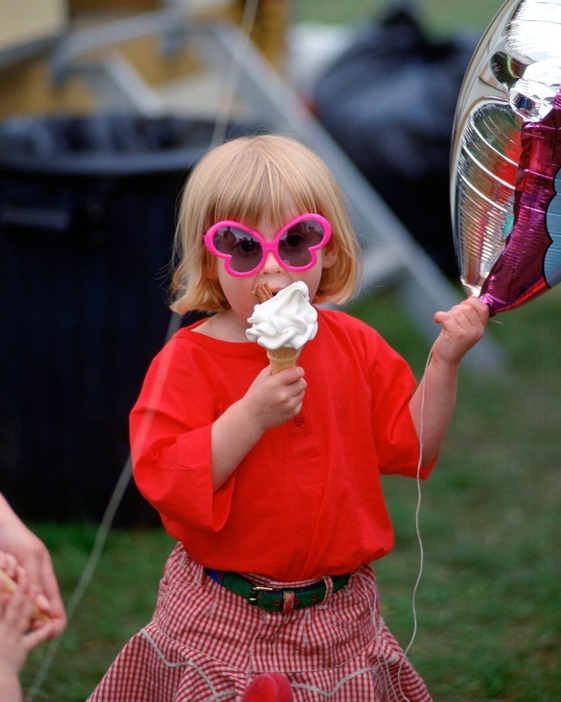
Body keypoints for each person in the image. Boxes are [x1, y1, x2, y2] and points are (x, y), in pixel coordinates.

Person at [87, 134, 488, 702]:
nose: (272, 269)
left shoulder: (355, 345)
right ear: (210, 259)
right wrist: (249, 416)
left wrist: (444, 363)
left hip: (339, 616)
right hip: (221, 609)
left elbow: (412, 445)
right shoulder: (187, 362)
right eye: (243, 247)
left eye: (296, 241)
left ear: (328, 252)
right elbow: (165, 479)